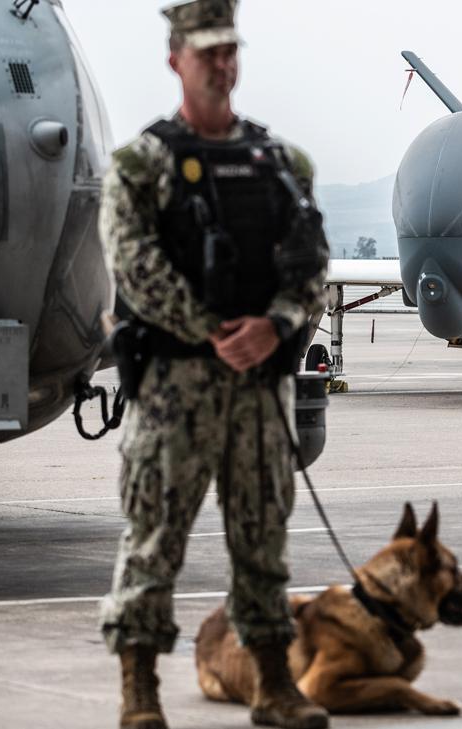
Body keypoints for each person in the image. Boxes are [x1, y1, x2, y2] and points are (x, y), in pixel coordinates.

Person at [96, 2, 328, 728]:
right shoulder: (142, 164)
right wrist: (213, 329)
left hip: (259, 384)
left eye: (230, 50)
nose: (221, 64)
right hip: (176, 386)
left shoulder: (282, 164)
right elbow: (133, 265)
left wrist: (277, 326)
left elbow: (310, 264)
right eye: (207, 52)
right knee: (154, 534)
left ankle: (272, 682)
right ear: (176, 60)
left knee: (263, 534)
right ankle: (139, 689)